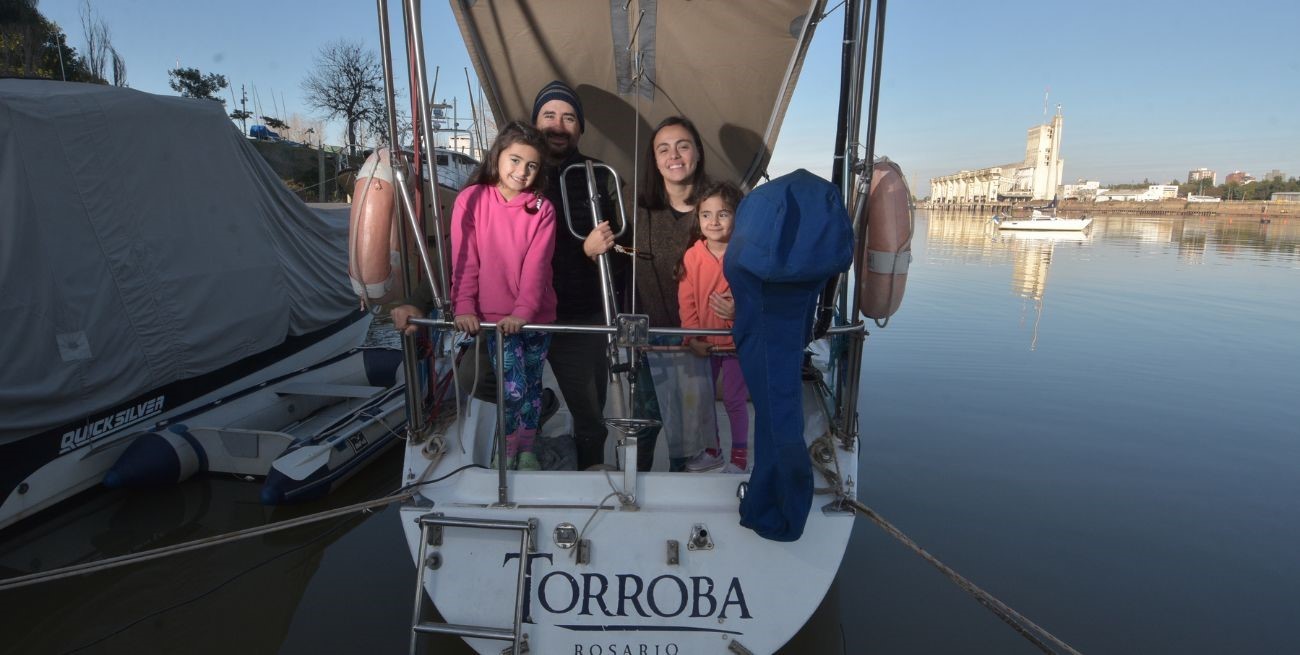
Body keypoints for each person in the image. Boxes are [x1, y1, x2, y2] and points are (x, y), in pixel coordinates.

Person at [447, 121, 557, 470]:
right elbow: (464, 259)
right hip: (495, 320)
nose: (521, 171)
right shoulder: (472, 199)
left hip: (535, 317)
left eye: (531, 165)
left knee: (532, 386)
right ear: (497, 157)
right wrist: (464, 306)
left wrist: (524, 311)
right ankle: (505, 450)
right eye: (514, 160)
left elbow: (537, 267)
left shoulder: (542, 209)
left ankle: (526, 449)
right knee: (512, 390)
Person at [531, 80, 627, 471]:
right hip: (520, 315)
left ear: (580, 128)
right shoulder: (513, 172)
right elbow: (470, 243)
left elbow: (619, 253)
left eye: (569, 117)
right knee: (477, 379)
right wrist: (416, 301)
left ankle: (589, 479)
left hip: (579, 319)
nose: (558, 124)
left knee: (590, 417)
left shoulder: (599, 177)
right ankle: (540, 404)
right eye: (549, 115)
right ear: (535, 121)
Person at [632, 116, 725, 472]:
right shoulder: (636, 206)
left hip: (698, 339)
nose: (674, 155)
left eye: (683, 145)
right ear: (655, 160)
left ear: (698, 154)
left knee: (687, 426)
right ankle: (634, 486)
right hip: (649, 337)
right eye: (663, 148)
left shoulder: (720, 210)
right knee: (644, 419)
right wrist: (591, 248)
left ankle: (681, 483)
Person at [677, 180, 749, 473]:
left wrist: (737, 316)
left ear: (737, 216)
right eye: (706, 214)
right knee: (704, 402)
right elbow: (687, 301)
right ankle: (713, 450)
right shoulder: (692, 256)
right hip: (705, 346)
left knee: (734, 400)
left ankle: (739, 458)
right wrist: (692, 337)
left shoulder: (746, 255)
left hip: (735, 344)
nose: (714, 221)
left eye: (724, 213)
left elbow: (753, 300)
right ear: (698, 219)